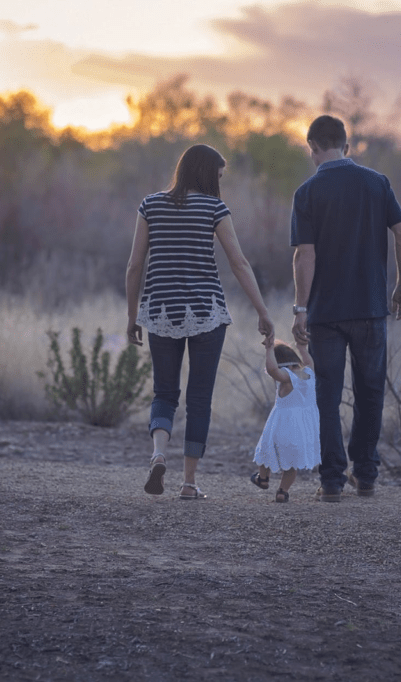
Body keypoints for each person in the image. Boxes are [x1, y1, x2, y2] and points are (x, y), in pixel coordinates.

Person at [126, 144, 274, 500]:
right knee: (199, 398)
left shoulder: (150, 205)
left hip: (160, 311)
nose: (220, 183)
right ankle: (189, 483)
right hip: (207, 312)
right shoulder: (214, 208)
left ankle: (159, 453)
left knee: (164, 392)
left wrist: (133, 317)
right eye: (219, 176)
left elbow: (134, 266)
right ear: (208, 174)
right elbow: (238, 263)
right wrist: (262, 311)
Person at [290, 115, 401, 502]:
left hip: (326, 313)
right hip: (371, 307)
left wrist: (300, 308)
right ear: (347, 145)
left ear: (312, 147)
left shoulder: (307, 192)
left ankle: (331, 481)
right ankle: (366, 474)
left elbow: (304, 256)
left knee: (327, 395)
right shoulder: (377, 183)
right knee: (370, 392)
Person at [250, 339, 319, 503]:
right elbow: (309, 362)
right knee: (291, 464)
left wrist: (268, 350)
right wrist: (302, 348)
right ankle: (282, 491)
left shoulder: (286, 377)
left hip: (281, 425)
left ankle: (263, 478)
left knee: (266, 451)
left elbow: (273, 370)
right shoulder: (307, 373)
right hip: (301, 428)